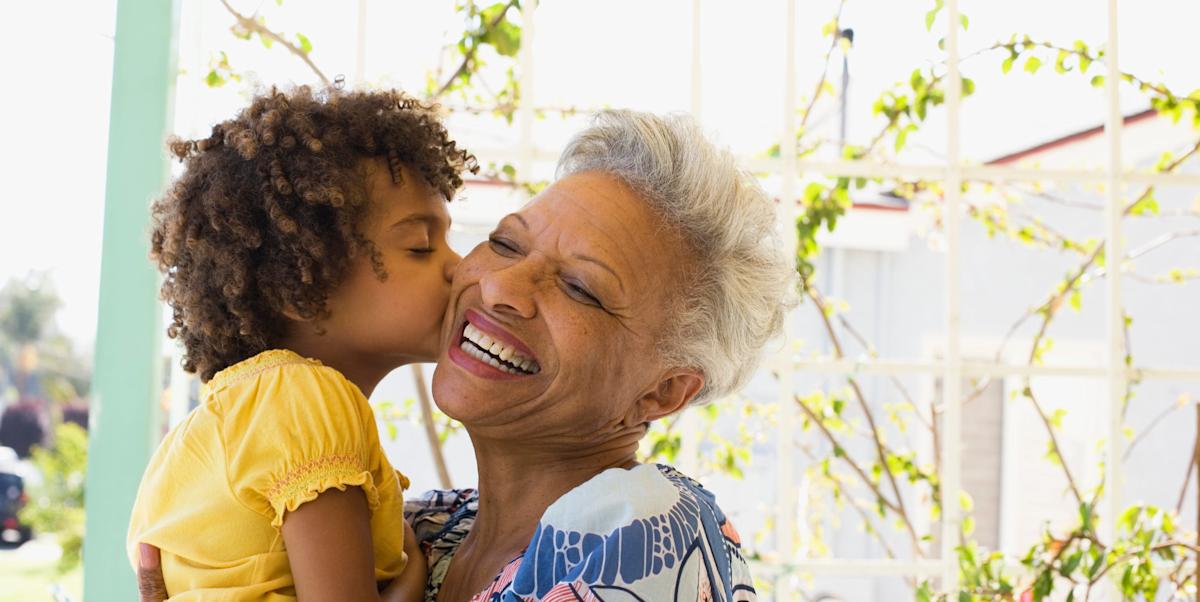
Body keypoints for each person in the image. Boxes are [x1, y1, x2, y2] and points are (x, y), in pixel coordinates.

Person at [139, 109, 793, 601]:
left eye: (579, 288)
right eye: (507, 244)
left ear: (663, 391)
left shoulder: (645, 530)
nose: (497, 285)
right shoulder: (420, 527)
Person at [126, 85, 476, 601]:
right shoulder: (309, 401)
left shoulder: (227, 421)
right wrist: (411, 582)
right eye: (420, 247)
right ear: (301, 283)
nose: (460, 267)